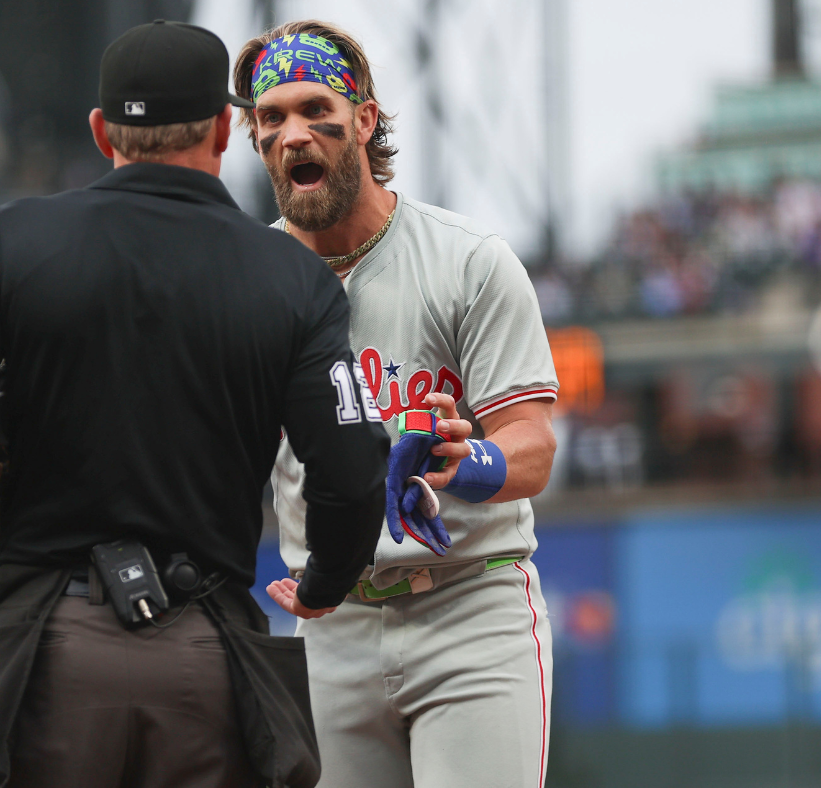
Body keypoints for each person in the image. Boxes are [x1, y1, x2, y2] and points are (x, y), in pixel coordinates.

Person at [0, 20, 388, 788]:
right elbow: (349, 469)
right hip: (207, 661)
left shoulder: (4, 243)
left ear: (101, 131)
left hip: (39, 655)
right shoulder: (293, 278)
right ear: (222, 130)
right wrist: (325, 582)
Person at [235, 20, 560, 788]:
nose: (293, 134)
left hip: (470, 610)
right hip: (330, 623)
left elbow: (534, 446)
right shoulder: (248, 282)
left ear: (366, 119)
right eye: (271, 118)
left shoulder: (466, 259)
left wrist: (467, 459)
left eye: (317, 109)